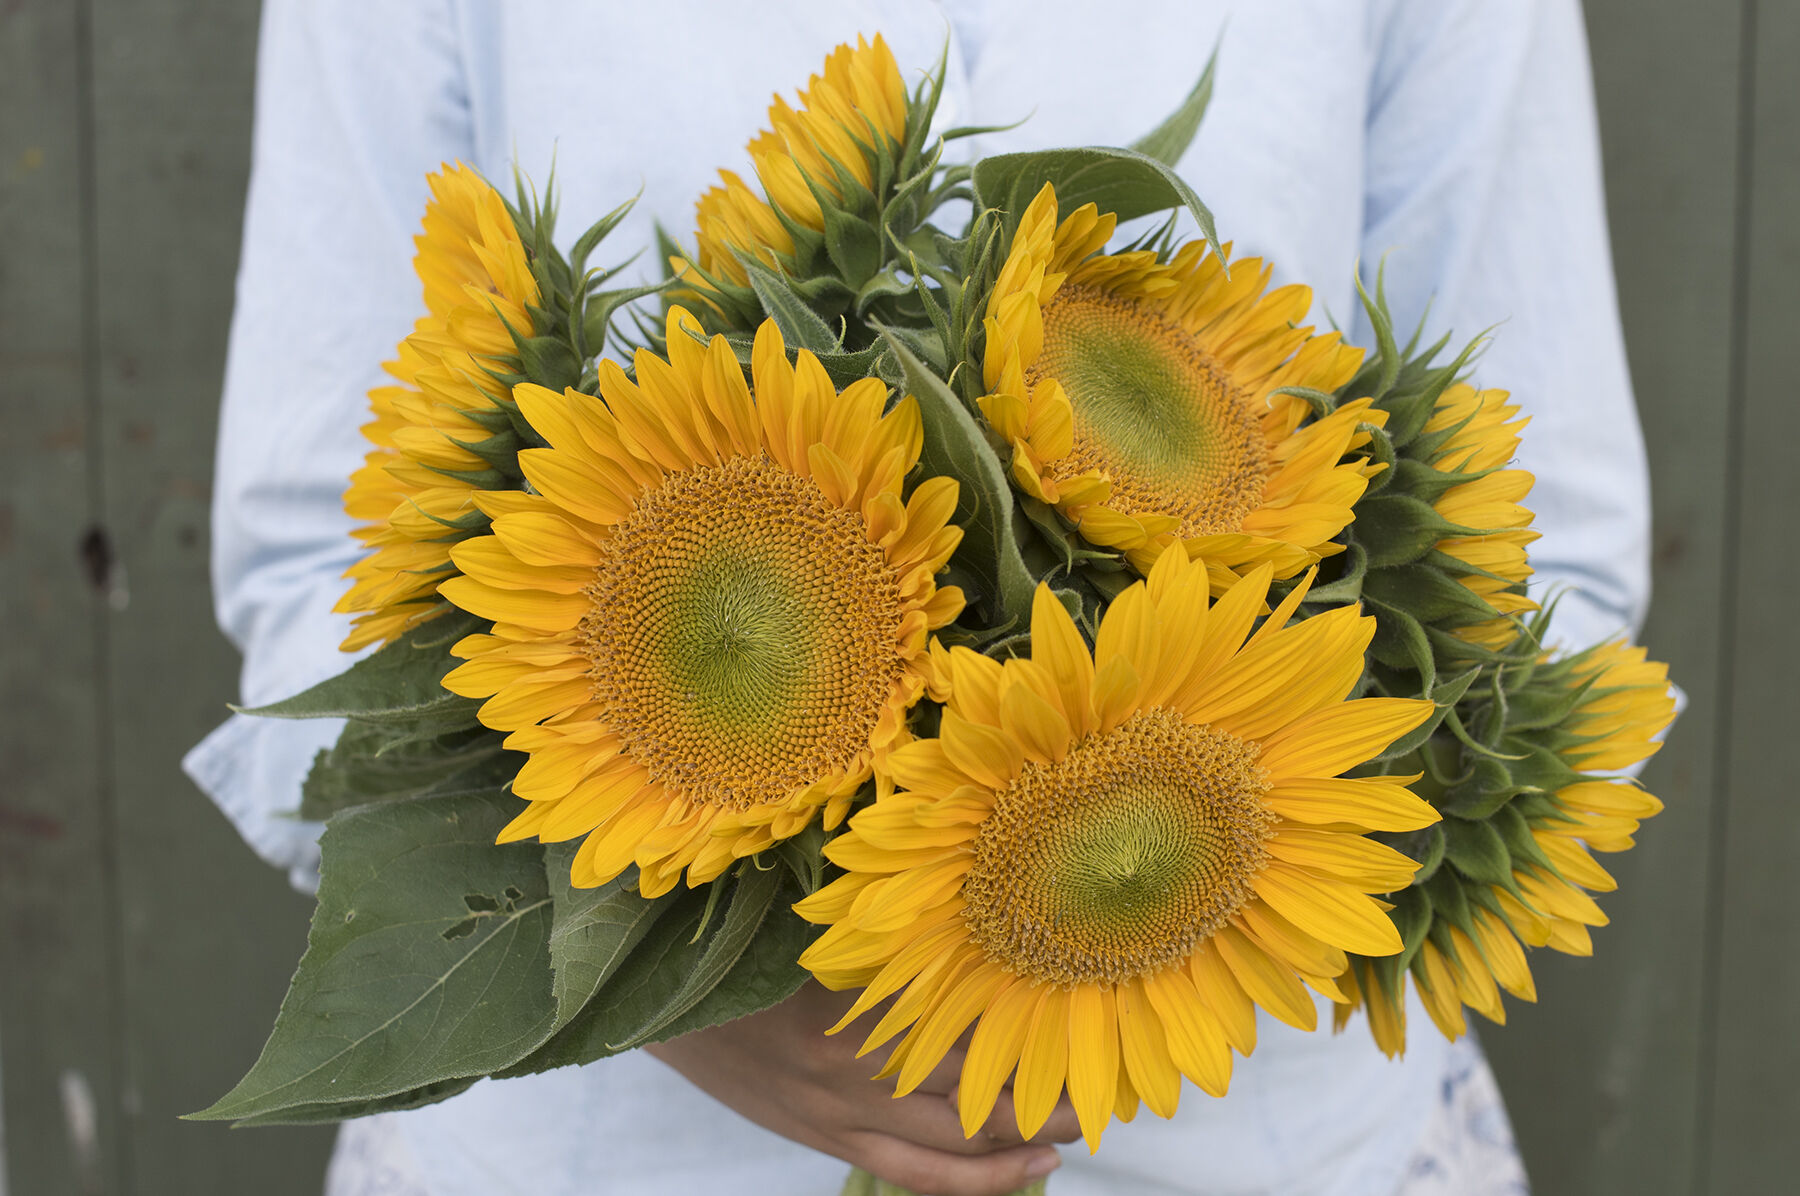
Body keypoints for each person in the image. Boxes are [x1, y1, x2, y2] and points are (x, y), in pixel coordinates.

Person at [186, 1, 1648, 1192]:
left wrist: (1229, 842)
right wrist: (676, 1004)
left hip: (1270, 1143)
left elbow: (1556, 556)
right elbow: (315, 559)